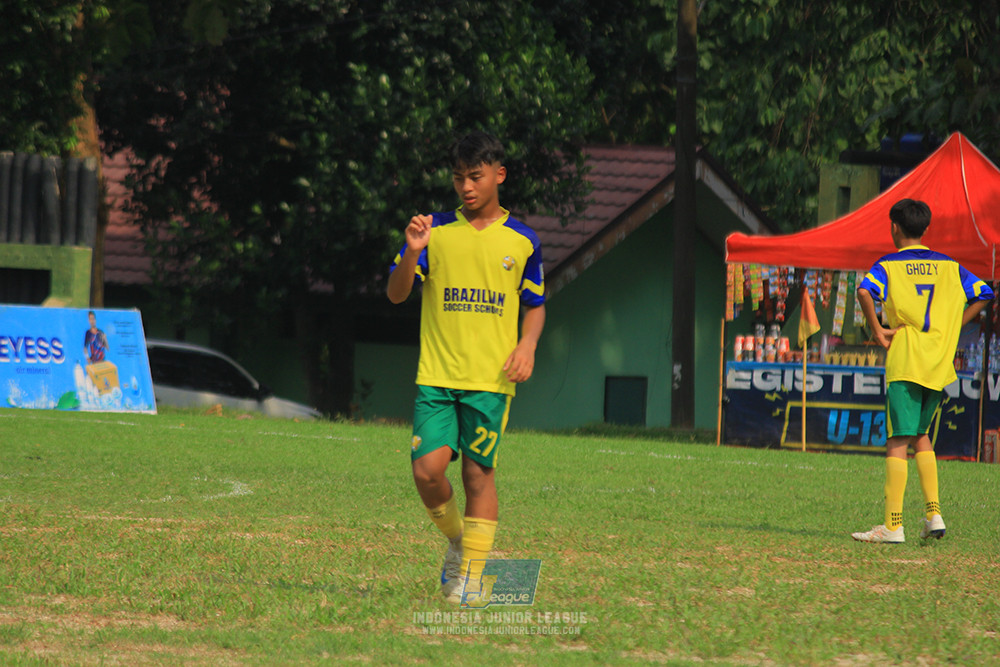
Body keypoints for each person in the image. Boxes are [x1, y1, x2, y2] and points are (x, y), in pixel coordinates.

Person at [386, 131, 546, 602]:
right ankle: (460, 542)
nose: (466, 187)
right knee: (426, 471)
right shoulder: (434, 231)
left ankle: (472, 578)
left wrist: (528, 345)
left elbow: (535, 304)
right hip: (436, 377)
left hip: (489, 381)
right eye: (458, 178)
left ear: (499, 174)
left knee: (478, 475)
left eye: (475, 177)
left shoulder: (523, 241)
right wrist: (412, 251)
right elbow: (397, 294)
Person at [853, 198, 993, 543]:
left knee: (898, 438)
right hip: (938, 360)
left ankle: (893, 524)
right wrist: (954, 326)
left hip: (908, 357)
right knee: (920, 435)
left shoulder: (889, 265)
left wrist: (877, 328)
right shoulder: (949, 265)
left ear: (894, 227)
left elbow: (864, 290)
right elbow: (985, 293)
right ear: (926, 229)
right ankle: (933, 515)